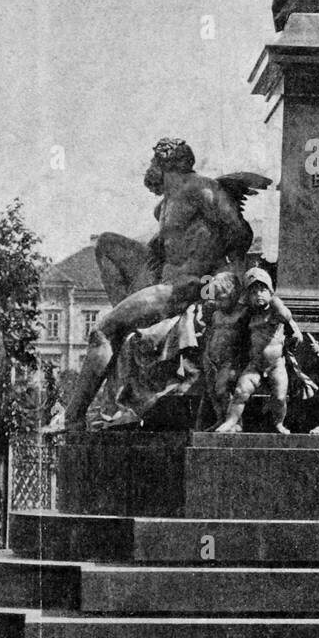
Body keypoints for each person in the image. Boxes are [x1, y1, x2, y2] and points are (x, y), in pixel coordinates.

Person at [60, 139, 268, 428]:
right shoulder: (165, 204)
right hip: (166, 282)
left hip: (187, 287)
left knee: (103, 332)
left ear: (165, 163)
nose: (148, 170)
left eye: (152, 163)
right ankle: (124, 314)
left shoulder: (201, 189)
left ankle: (74, 417)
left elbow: (240, 232)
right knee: (106, 243)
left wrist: (226, 275)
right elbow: (170, 245)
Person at [216, 268, 303, 435]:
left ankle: (279, 423)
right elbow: (237, 334)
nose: (259, 295)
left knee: (279, 397)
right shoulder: (249, 313)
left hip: (276, 365)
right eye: (253, 292)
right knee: (241, 392)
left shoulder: (275, 311)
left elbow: (287, 318)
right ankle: (230, 421)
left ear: (270, 291)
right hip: (255, 364)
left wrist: (277, 303)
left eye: (263, 290)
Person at [198, 271, 247, 427]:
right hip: (212, 359)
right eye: (216, 298)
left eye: (222, 298)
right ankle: (221, 419)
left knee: (222, 390)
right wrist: (206, 353)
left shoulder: (242, 313)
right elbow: (210, 333)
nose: (217, 302)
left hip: (230, 360)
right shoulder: (216, 314)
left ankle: (235, 422)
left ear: (233, 294)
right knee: (213, 392)